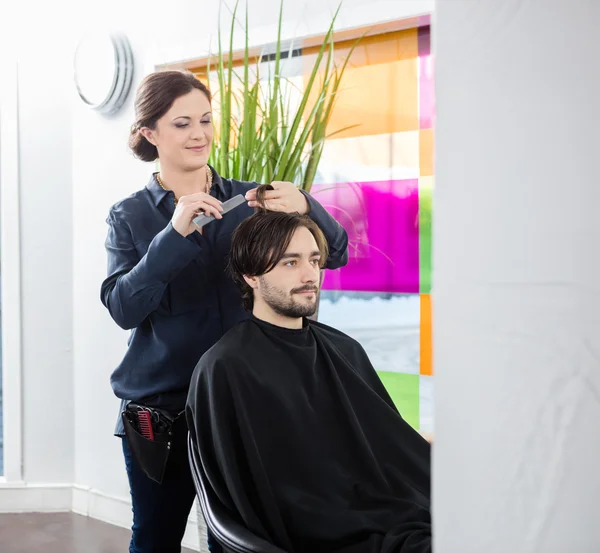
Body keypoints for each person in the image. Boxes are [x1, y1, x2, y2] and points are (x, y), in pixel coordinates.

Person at [100, 70, 349, 553]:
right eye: (181, 124)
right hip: (161, 413)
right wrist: (172, 236)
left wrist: (306, 205)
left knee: (240, 542)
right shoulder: (128, 215)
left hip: (246, 404)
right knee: (154, 539)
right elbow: (124, 308)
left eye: (206, 120)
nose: (199, 134)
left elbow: (333, 253)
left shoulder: (255, 201)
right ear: (150, 133)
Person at [186, 199, 432, 553]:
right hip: (314, 535)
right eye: (290, 262)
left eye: (314, 260)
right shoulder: (226, 368)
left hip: (384, 514)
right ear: (251, 275)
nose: (309, 275)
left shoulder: (343, 350)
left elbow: (384, 445)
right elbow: (248, 497)